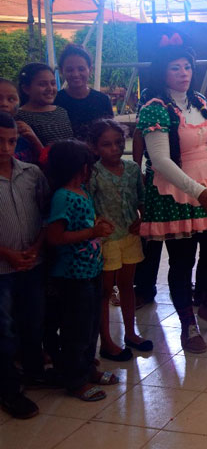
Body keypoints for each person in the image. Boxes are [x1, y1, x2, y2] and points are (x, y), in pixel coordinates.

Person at [136, 36, 207, 354]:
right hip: (176, 192)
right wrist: (198, 192)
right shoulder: (154, 108)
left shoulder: (198, 101)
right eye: (175, 68)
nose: (183, 72)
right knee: (182, 262)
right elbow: (160, 161)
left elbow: (206, 144)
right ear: (161, 72)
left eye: (186, 66)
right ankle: (187, 324)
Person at [45, 140, 117, 402]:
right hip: (72, 275)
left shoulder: (82, 190)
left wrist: (97, 223)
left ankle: (87, 369)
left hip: (90, 270)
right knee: (75, 329)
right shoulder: (63, 197)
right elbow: (55, 237)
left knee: (90, 326)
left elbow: (84, 222)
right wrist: (92, 232)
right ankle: (74, 380)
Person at [87, 119, 151, 362]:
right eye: (106, 144)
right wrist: (96, 225)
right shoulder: (93, 173)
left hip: (130, 234)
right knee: (105, 290)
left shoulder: (133, 169)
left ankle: (130, 333)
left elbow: (141, 198)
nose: (113, 148)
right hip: (106, 240)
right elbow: (88, 205)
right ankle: (106, 340)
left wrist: (142, 220)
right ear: (94, 147)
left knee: (127, 285)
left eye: (117, 143)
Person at [0, 112, 49, 419]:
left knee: (33, 322)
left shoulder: (31, 173)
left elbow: (47, 215)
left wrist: (35, 246)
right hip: (2, 270)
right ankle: (8, 389)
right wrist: (6, 252)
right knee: (3, 330)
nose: (5, 148)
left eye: (10, 141)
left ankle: (34, 372)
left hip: (32, 263)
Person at [54, 45, 113, 141]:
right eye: (70, 70)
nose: (76, 74)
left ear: (90, 70)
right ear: (61, 71)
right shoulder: (56, 101)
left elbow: (109, 134)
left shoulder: (102, 100)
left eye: (81, 69)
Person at [14, 62, 73, 152]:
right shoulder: (19, 116)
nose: (50, 88)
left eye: (53, 83)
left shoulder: (61, 111)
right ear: (26, 89)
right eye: (42, 84)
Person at [0, 78, 41, 164]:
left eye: (11, 99)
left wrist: (35, 140)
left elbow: (43, 163)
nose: (4, 104)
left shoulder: (25, 132)